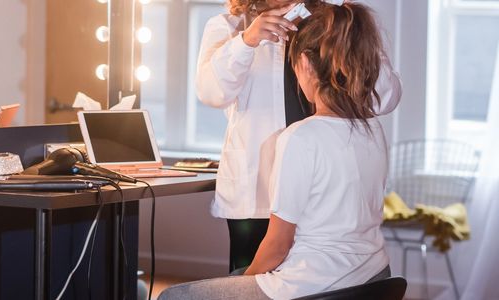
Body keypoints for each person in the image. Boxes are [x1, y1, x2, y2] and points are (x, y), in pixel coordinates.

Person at [160, 1, 392, 299]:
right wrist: (246, 42)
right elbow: (211, 92)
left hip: (324, 198)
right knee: (252, 278)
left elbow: (384, 98)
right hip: (257, 193)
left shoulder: (332, 24)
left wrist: (352, 36)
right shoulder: (229, 27)